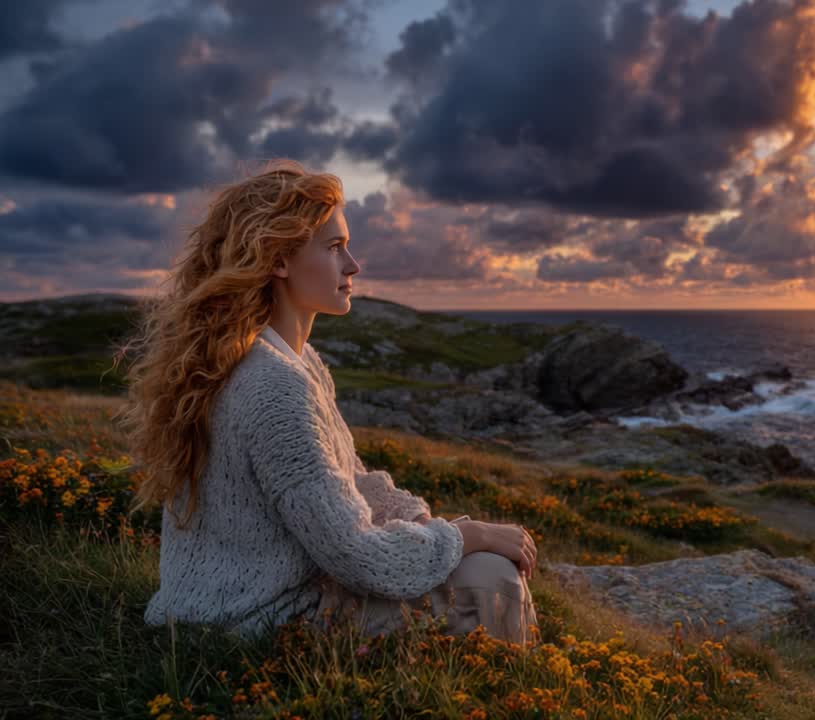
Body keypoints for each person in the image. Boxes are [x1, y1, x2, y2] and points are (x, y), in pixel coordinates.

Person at [112, 158, 538, 644]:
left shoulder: (292, 360)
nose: (353, 265)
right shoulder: (272, 386)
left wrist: (430, 524)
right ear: (278, 259)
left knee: (478, 562)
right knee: (491, 577)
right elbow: (360, 558)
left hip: (234, 609)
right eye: (334, 247)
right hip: (256, 624)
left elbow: (352, 482)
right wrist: (469, 537)